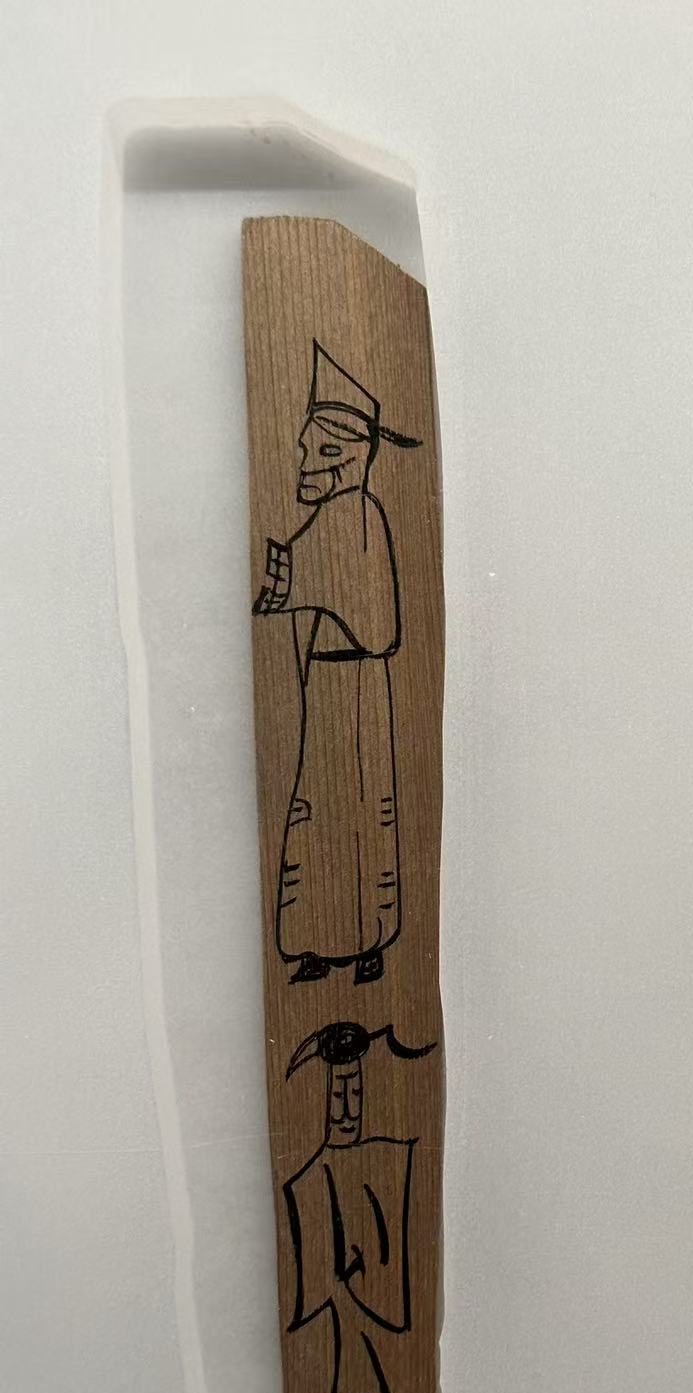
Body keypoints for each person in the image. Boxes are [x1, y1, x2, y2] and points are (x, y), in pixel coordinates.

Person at [253, 342, 421, 985]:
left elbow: (306, 587)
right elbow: (291, 577)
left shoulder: (355, 514)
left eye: (319, 451)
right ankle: (320, 943)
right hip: (330, 678)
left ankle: (366, 941)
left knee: (357, 806)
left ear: (350, 455)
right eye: (305, 449)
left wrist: (295, 583)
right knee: (322, 806)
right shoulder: (338, 515)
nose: (305, 463)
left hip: (354, 679)